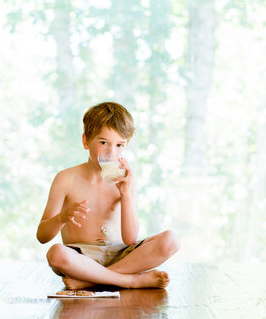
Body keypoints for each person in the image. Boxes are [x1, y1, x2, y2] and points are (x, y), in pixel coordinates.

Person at [37, 101, 180, 290]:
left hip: (121, 253)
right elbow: (42, 236)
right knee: (56, 254)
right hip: (82, 258)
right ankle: (129, 280)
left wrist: (126, 194)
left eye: (120, 145)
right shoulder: (65, 179)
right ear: (86, 141)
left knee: (172, 239)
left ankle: (93, 280)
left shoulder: (125, 179)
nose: (111, 152)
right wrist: (63, 217)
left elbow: (130, 239)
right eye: (103, 142)